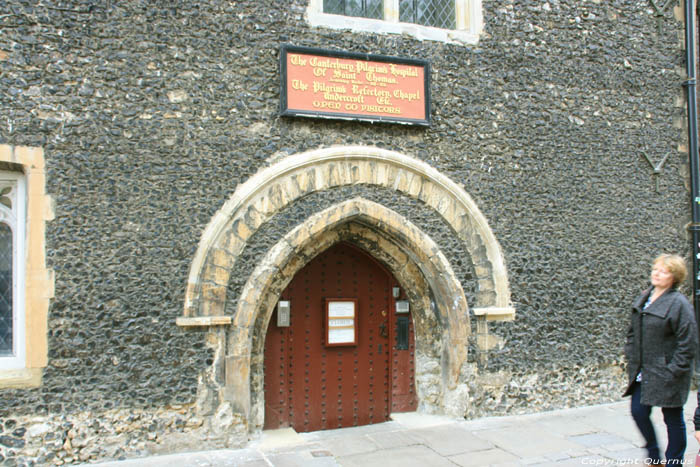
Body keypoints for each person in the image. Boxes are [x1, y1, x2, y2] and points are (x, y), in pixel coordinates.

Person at [623, 254, 697, 465]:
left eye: (663, 271)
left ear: (674, 277)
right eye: (655, 269)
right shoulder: (645, 297)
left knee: (672, 418)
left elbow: (688, 341)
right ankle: (654, 456)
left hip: (669, 371)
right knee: (638, 411)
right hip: (643, 369)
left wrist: (674, 370)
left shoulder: (679, 304)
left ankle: (674, 461)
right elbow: (632, 331)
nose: (656, 273)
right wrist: (630, 352)